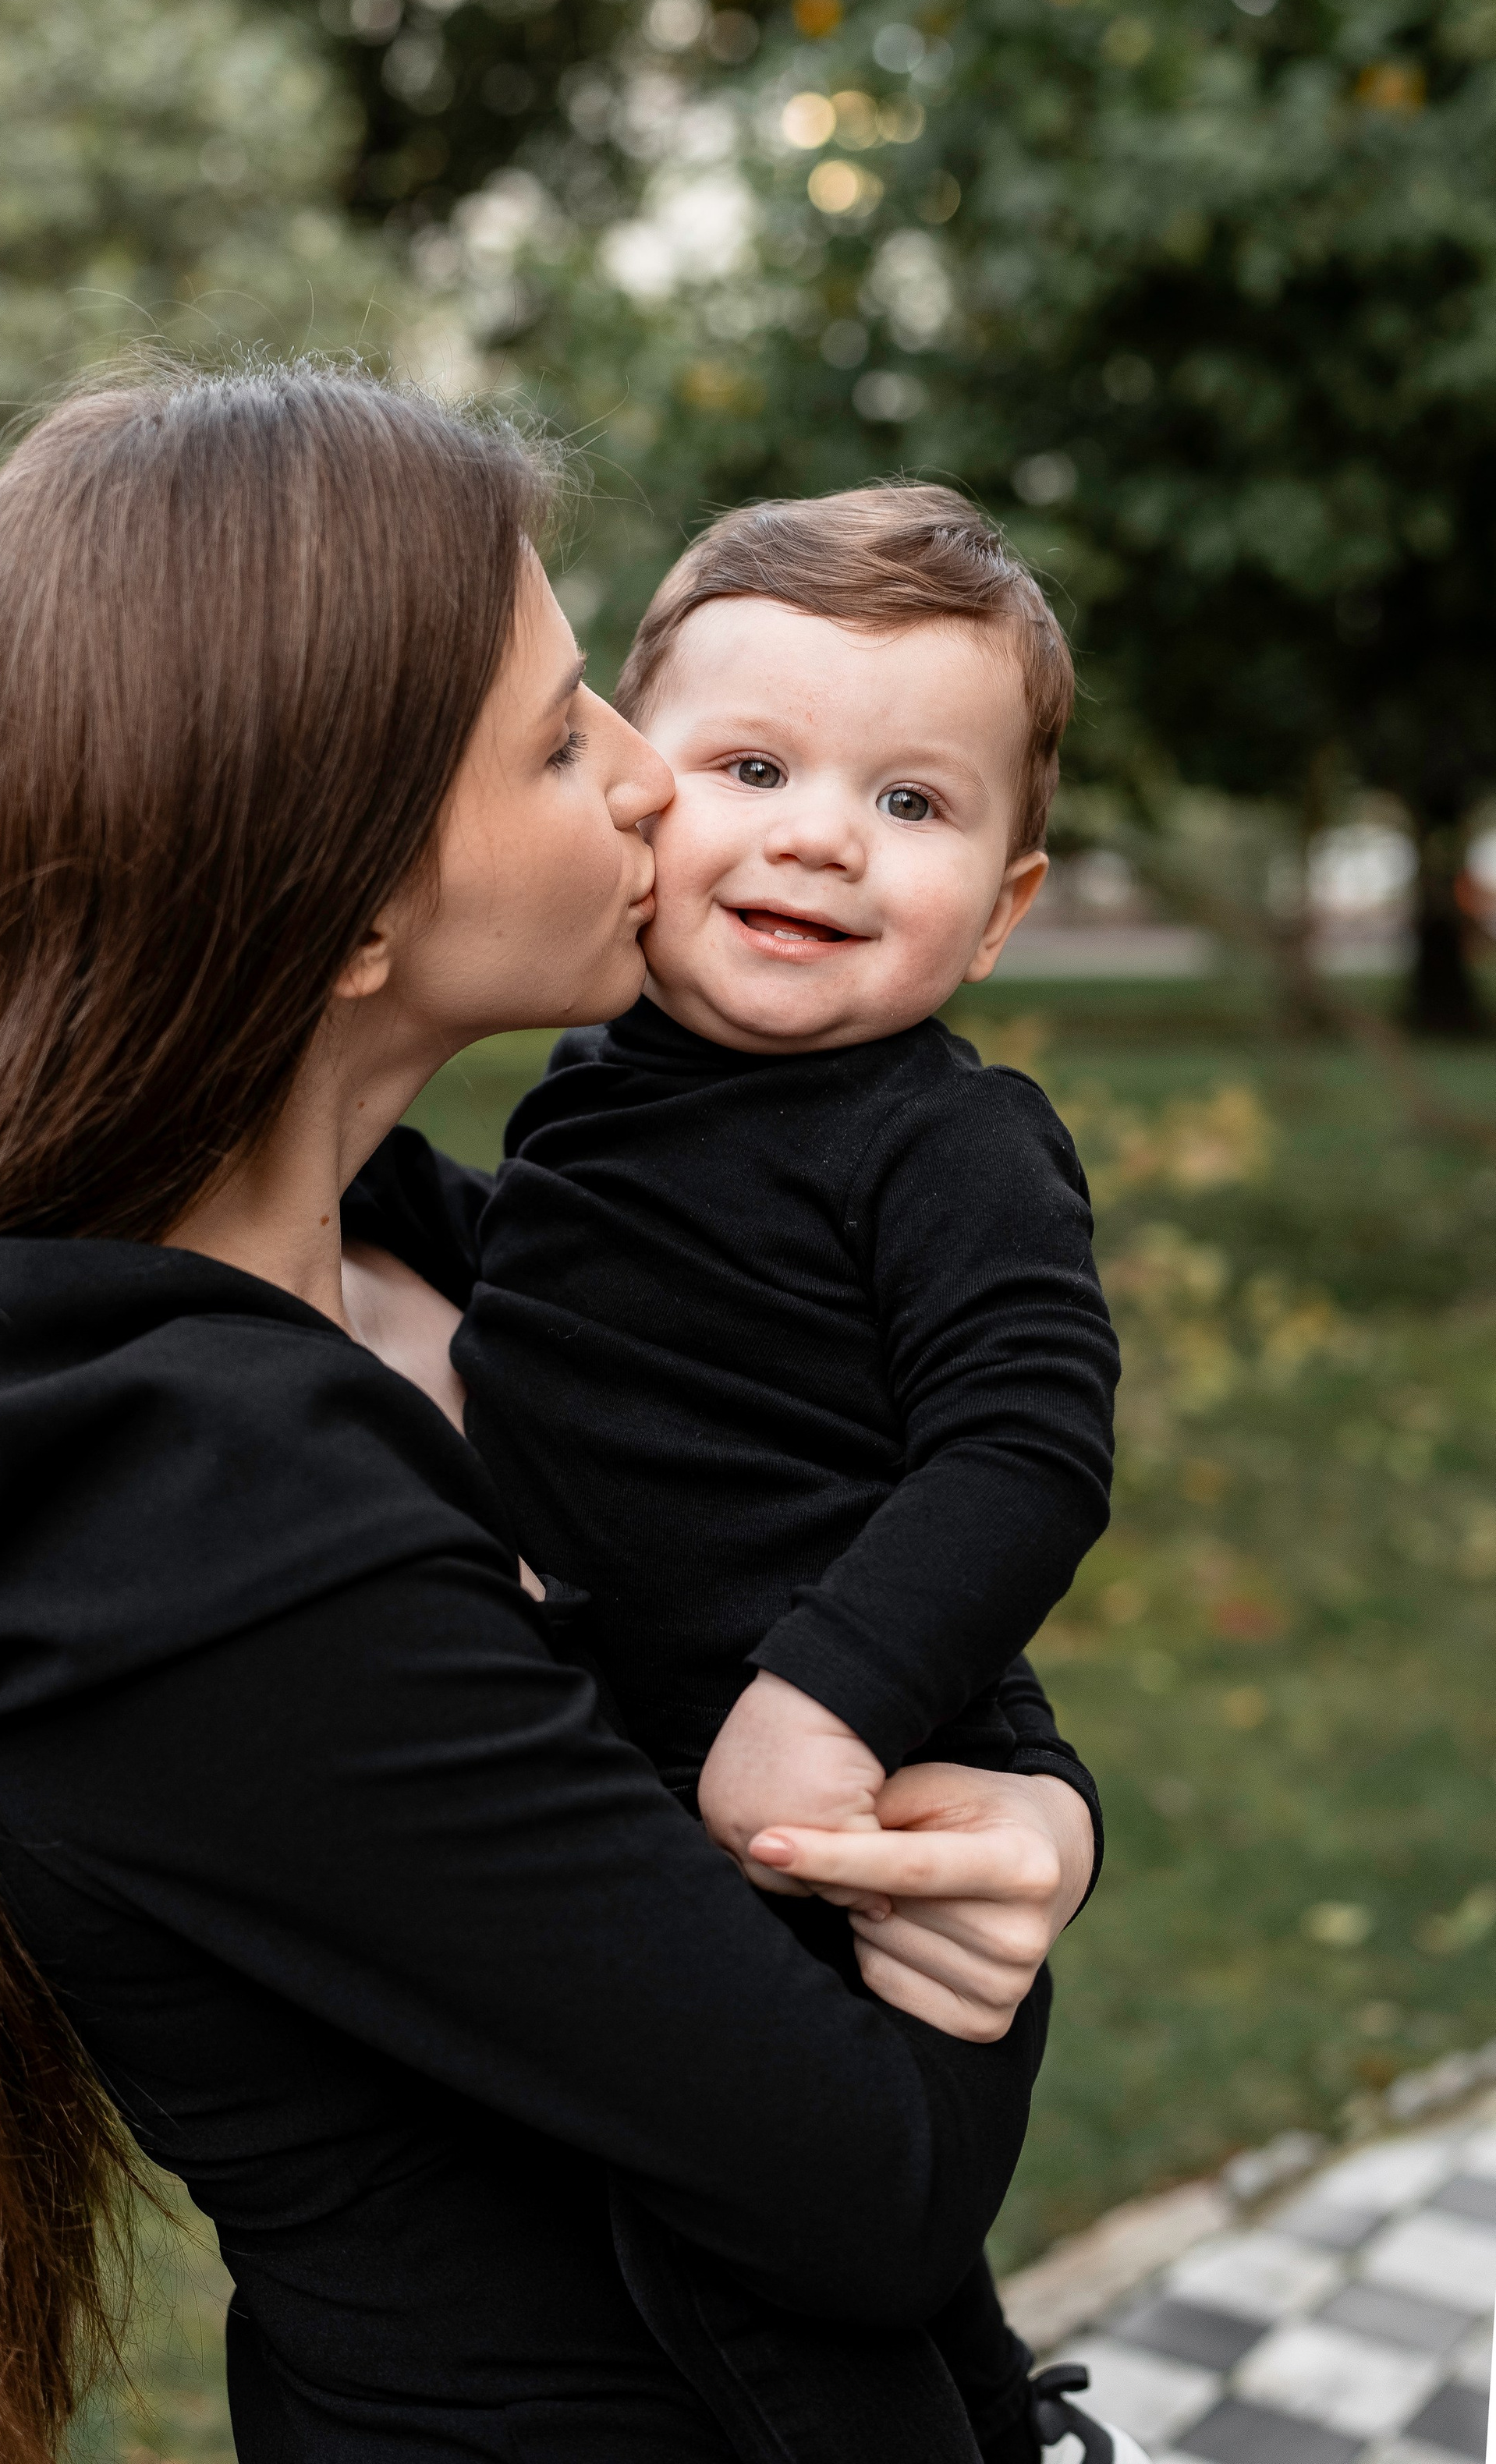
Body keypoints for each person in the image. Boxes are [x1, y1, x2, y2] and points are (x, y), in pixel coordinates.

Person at [0, 370, 1103, 2464]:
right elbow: (866, 2186)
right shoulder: (173, 1503)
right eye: (572, 737)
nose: (669, 788)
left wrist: (1019, 1799)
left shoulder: (425, 1267)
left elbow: (867, 1503)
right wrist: (994, 1886)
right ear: (351, 897)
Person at [342, 487, 1126, 2462]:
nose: (815, 837)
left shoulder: (941, 1143)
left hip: (854, 1785)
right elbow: (528, 1274)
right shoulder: (606, 1090)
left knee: (758, 2291)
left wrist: (819, 1704)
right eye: (752, 766)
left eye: (911, 806)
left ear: (1006, 904)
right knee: (890, 2300)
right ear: (634, 798)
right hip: (680, 1760)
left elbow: (1022, 1442)